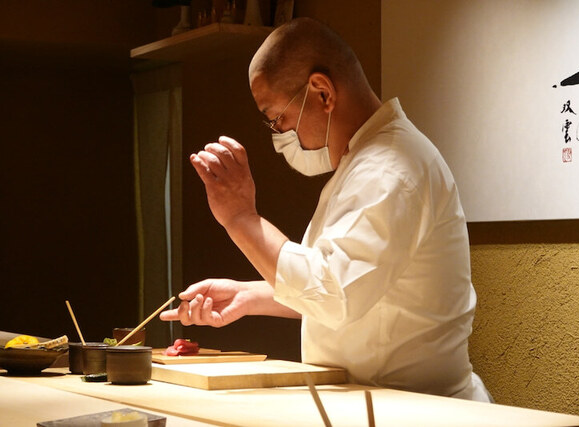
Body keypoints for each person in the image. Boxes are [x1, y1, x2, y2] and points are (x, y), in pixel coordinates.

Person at [160, 17, 492, 402]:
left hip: (420, 408)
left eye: (278, 118)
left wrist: (241, 218)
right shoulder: (365, 161)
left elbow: (334, 295)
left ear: (322, 93)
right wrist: (250, 295)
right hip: (384, 403)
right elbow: (357, 285)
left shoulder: (388, 170)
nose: (280, 134)